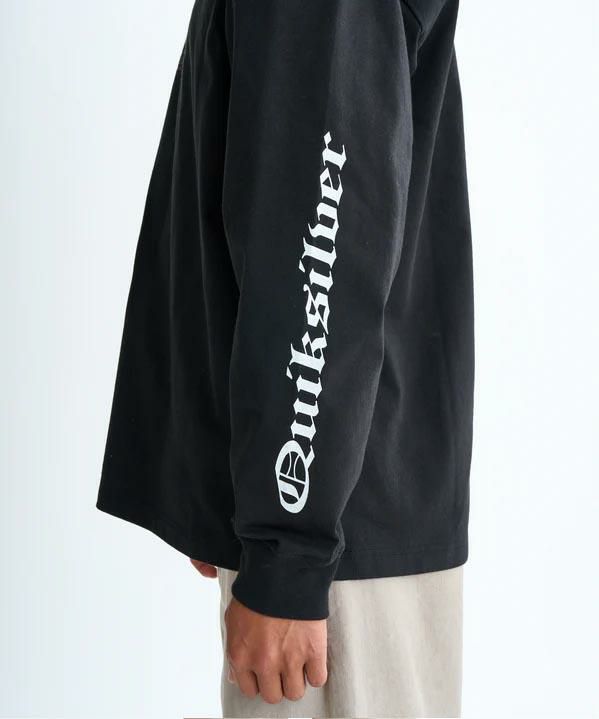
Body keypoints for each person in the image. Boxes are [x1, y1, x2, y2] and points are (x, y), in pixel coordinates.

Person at [97, 0, 474, 716]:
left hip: (334, 536)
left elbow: (325, 241)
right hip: (332, 508)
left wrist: (287, 548)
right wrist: (221, 486)